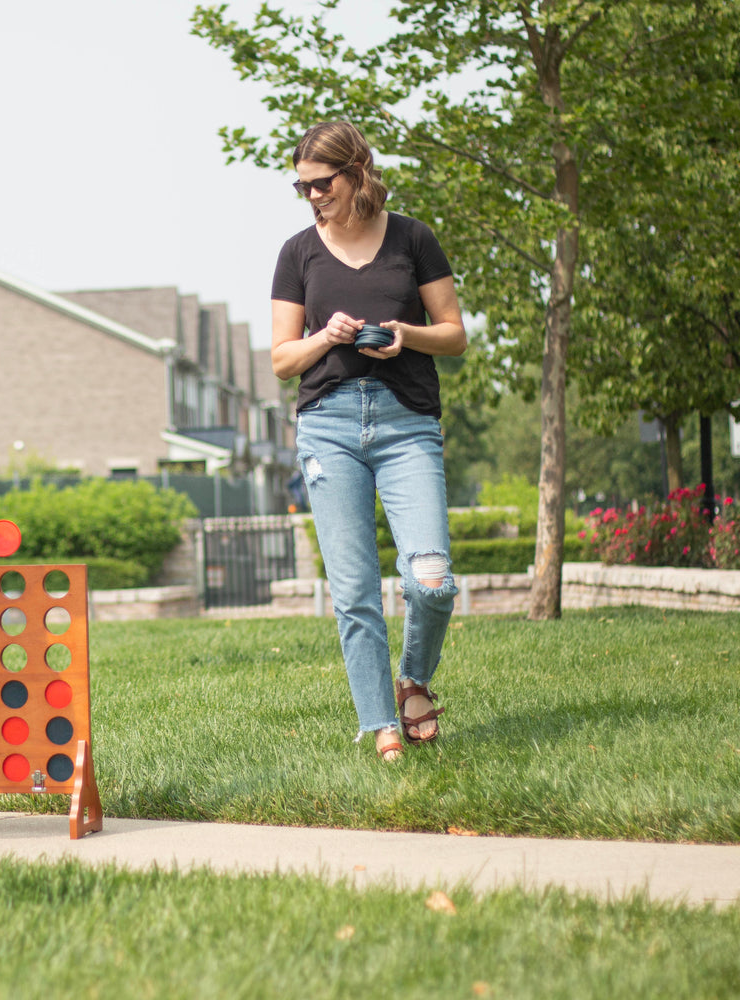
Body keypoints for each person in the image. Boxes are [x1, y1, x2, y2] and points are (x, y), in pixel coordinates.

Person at [269, 122, 467, 762]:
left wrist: (407, 335)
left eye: (321, 183)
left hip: (407, 421)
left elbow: (455, 334)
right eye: (301, 186)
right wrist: (326, 337)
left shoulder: (413, 238)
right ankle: (381, 723)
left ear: (356, 172)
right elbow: (281, 360)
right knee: (354, 591)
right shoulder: (298, 253)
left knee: (431, 580)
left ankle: (413, 679)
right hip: (328, 425)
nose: (311, 196)